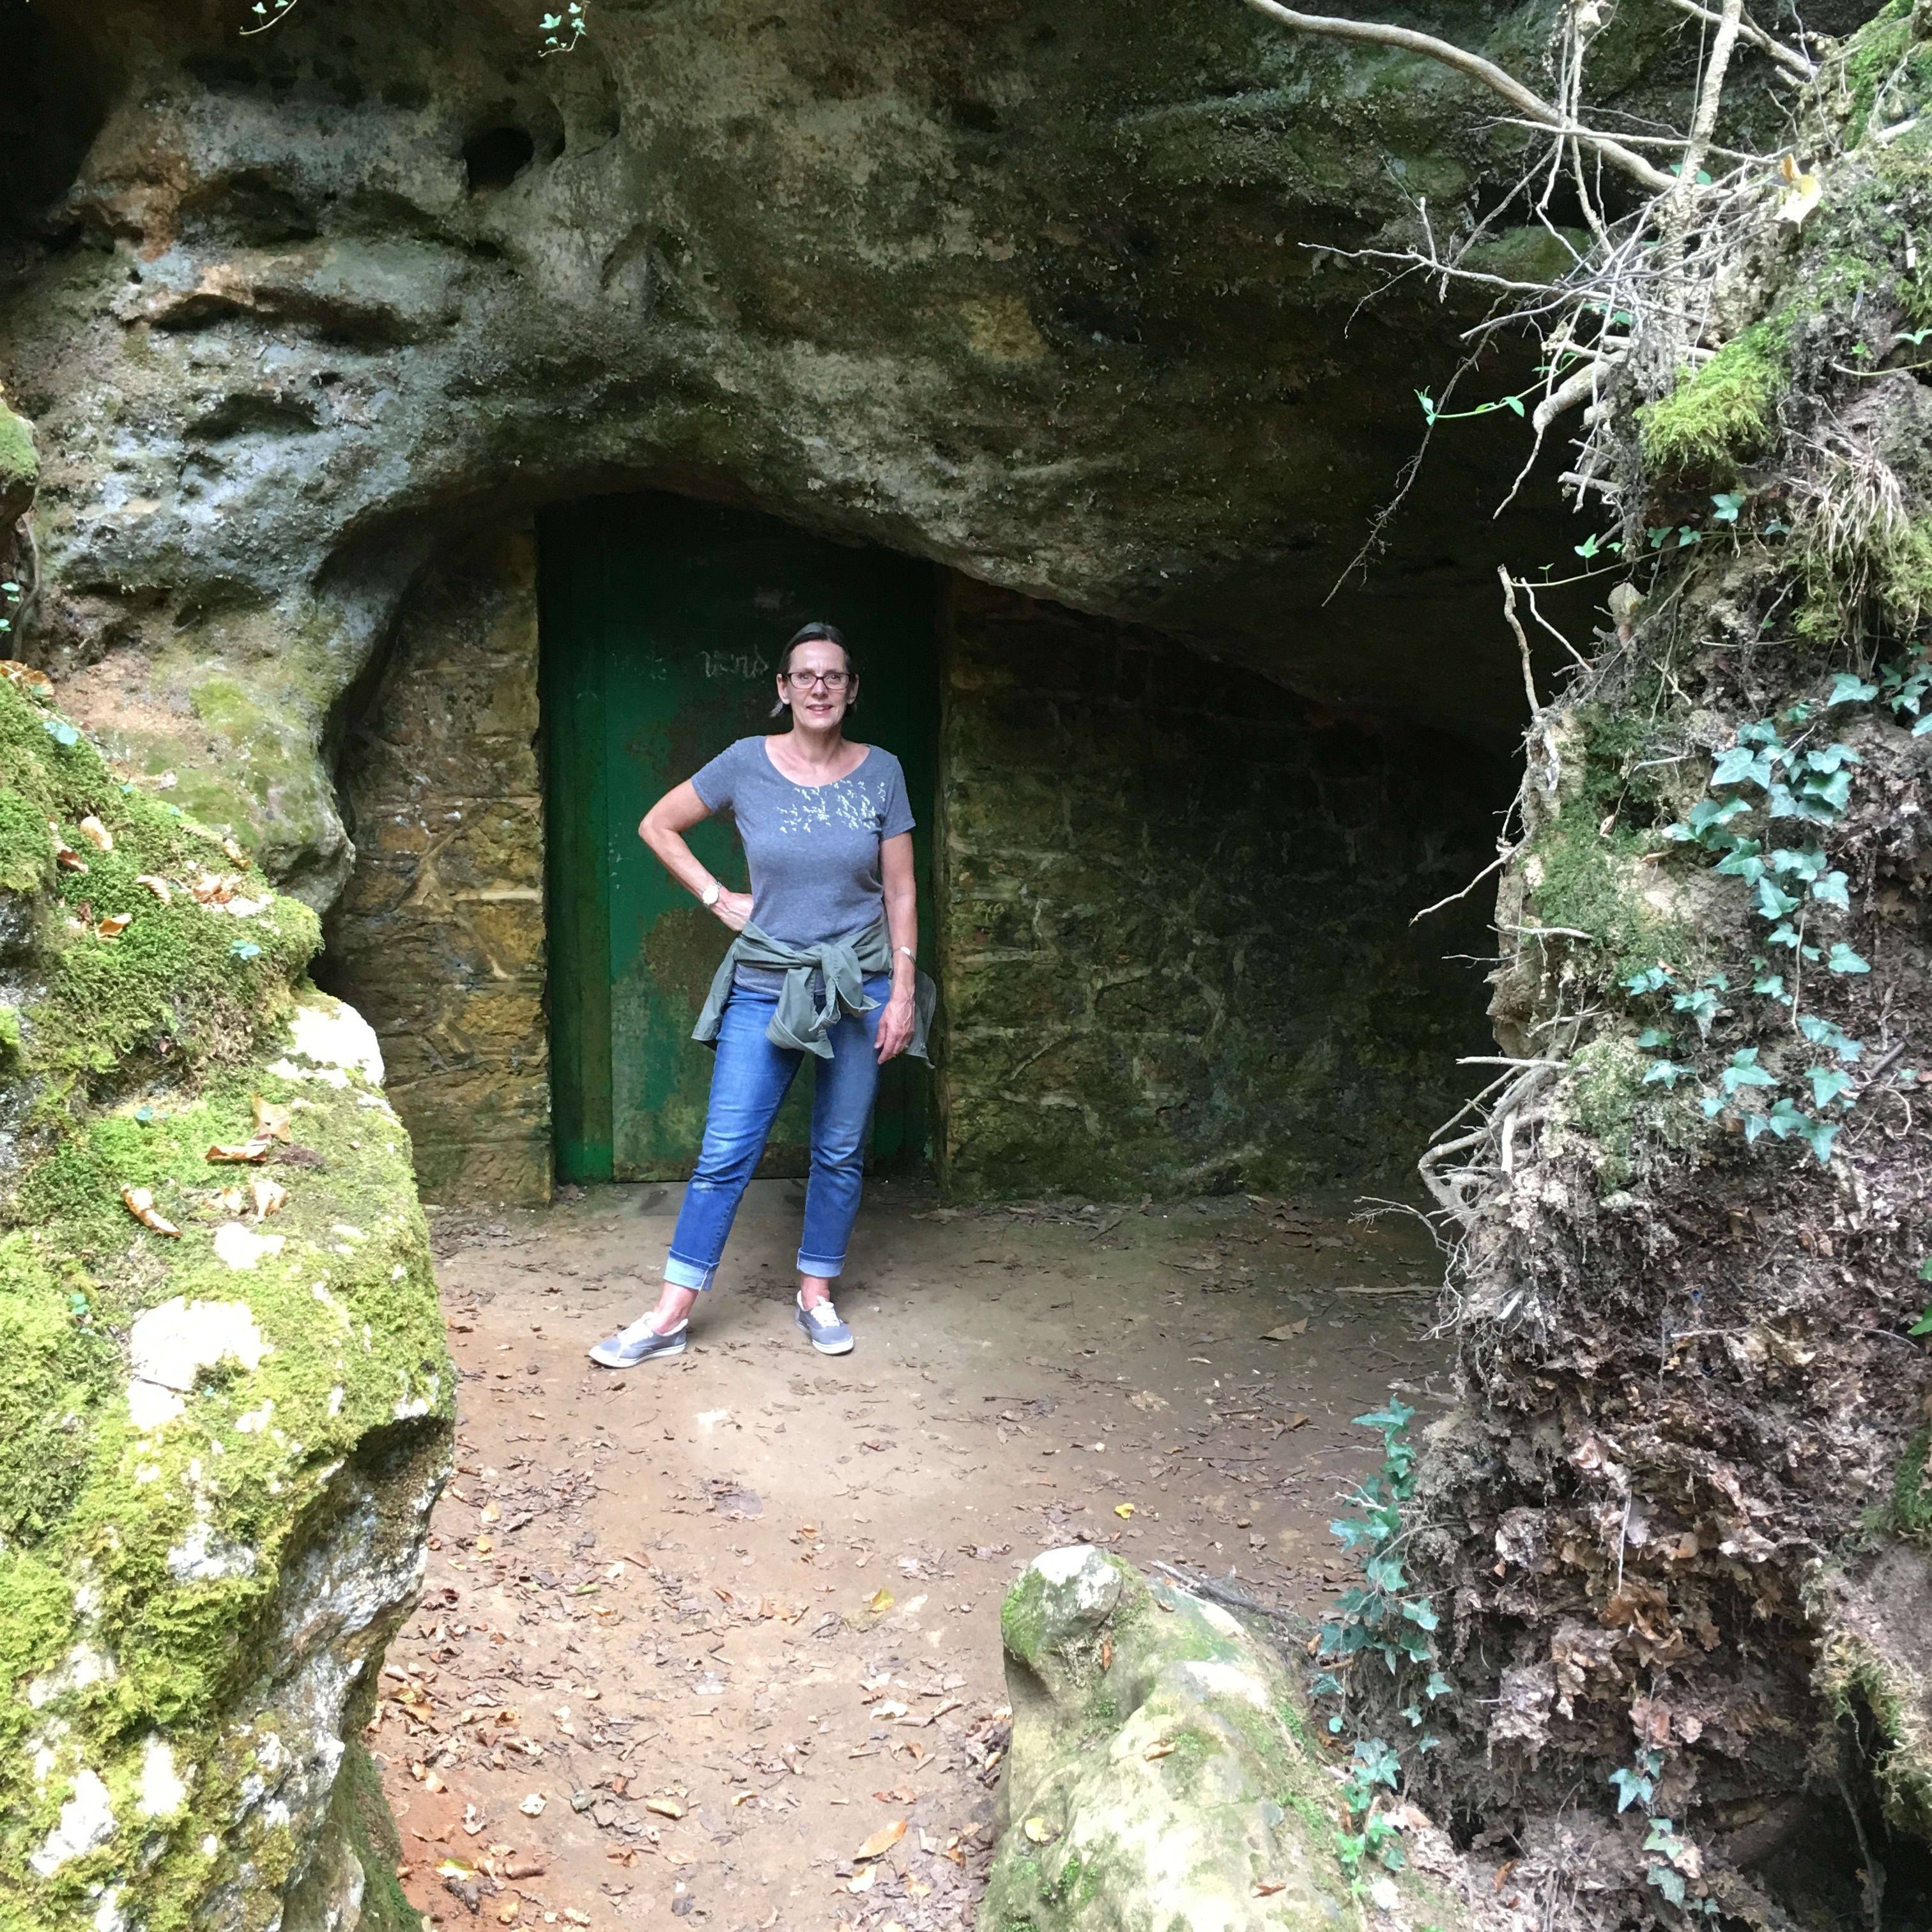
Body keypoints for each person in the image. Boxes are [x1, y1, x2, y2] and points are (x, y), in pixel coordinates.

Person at [588, 621, 933, 1368]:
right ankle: (671, 1313)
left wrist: (902, 988)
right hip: (767, 984)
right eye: (804, 676)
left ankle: (816, 1292)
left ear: (851, 691)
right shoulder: (746, 763)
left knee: (840, 1150)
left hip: (858, 983)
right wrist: (716, 896)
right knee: (725, 1152)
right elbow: (658, 824)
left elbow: (902, 889)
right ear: (782, 690)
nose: (818, 687)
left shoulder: (884, 772)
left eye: (833, 676)